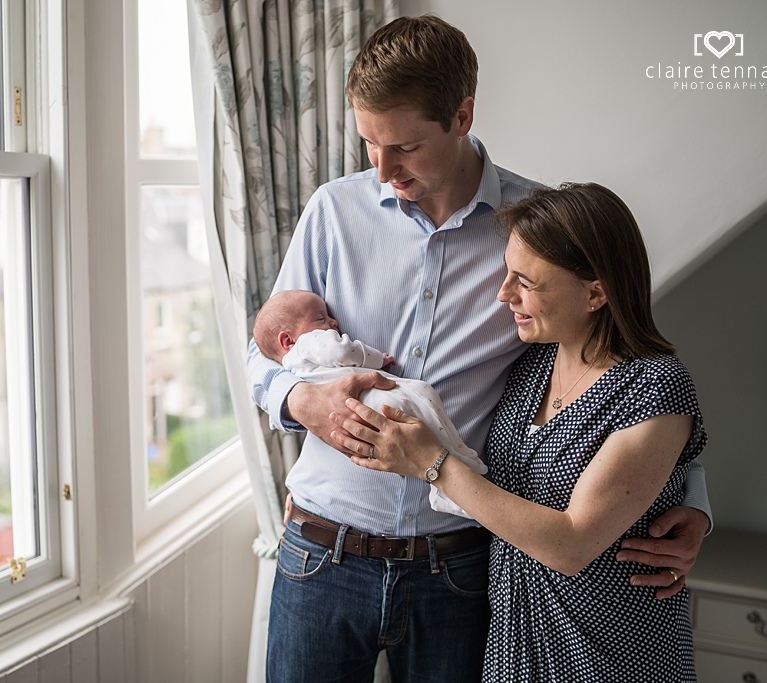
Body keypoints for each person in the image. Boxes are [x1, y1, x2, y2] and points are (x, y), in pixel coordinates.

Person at [246, 15, 712, 683]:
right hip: (323, 551)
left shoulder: (539, 227)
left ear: (462, 114)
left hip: (459, 568)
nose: (383, 169)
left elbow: (618, 372)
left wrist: (689, 499)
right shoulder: (332, 212)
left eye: (403, 145)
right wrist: (303, 399)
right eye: (369, 143)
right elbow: (266, 349)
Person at [332, 182, 704, 681]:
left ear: (595, 291)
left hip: (611, 654)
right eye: (507, 273)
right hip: (513, 648)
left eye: (525, 281)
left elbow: (571, 544)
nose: (504, 293)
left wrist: (432, 464)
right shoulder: (531, 365)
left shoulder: (654, 387)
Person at [253, 289, 488, 517]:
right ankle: (459, 465)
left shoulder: (295, 365)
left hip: (361, 408)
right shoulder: (305, 344)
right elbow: (342, 351)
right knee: (422, 398)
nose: (333, 322)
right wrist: (377, 358)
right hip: (371, 400)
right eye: (320, 318)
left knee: (422, 406)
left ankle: (454, 471)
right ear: (287, 340)